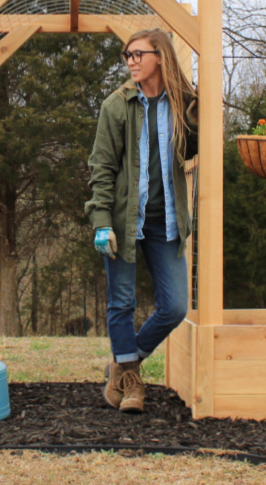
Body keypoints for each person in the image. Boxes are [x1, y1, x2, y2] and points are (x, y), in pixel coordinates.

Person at [85, 27, 198, 413]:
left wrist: (198, 103)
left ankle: (122, 363)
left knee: (176, 306)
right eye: (127, 55)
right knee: (121, 302)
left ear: (160, 57)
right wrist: (102, 221)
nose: (131, 61)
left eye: (138, 54)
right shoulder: (116, 106)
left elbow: (200, 141)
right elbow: (101, 167)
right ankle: (132, 385)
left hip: (166, 222)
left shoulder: (183, 105)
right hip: (123, 222)